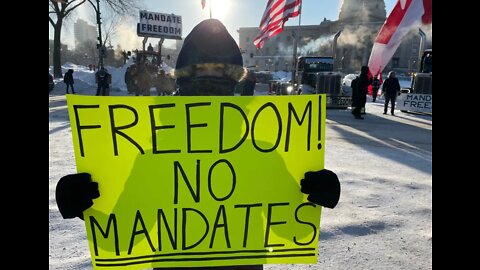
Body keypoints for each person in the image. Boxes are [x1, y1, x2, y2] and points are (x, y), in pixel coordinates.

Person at [55, 19, 340, 270]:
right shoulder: (155, 157)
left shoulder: (262, 152)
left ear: (234, 80)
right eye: (200, 70)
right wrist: (82, 206)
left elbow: (293, 231)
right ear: (184, 78)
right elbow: (123, 237)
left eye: (221, 71)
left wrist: (317, 194)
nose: (210, 79)